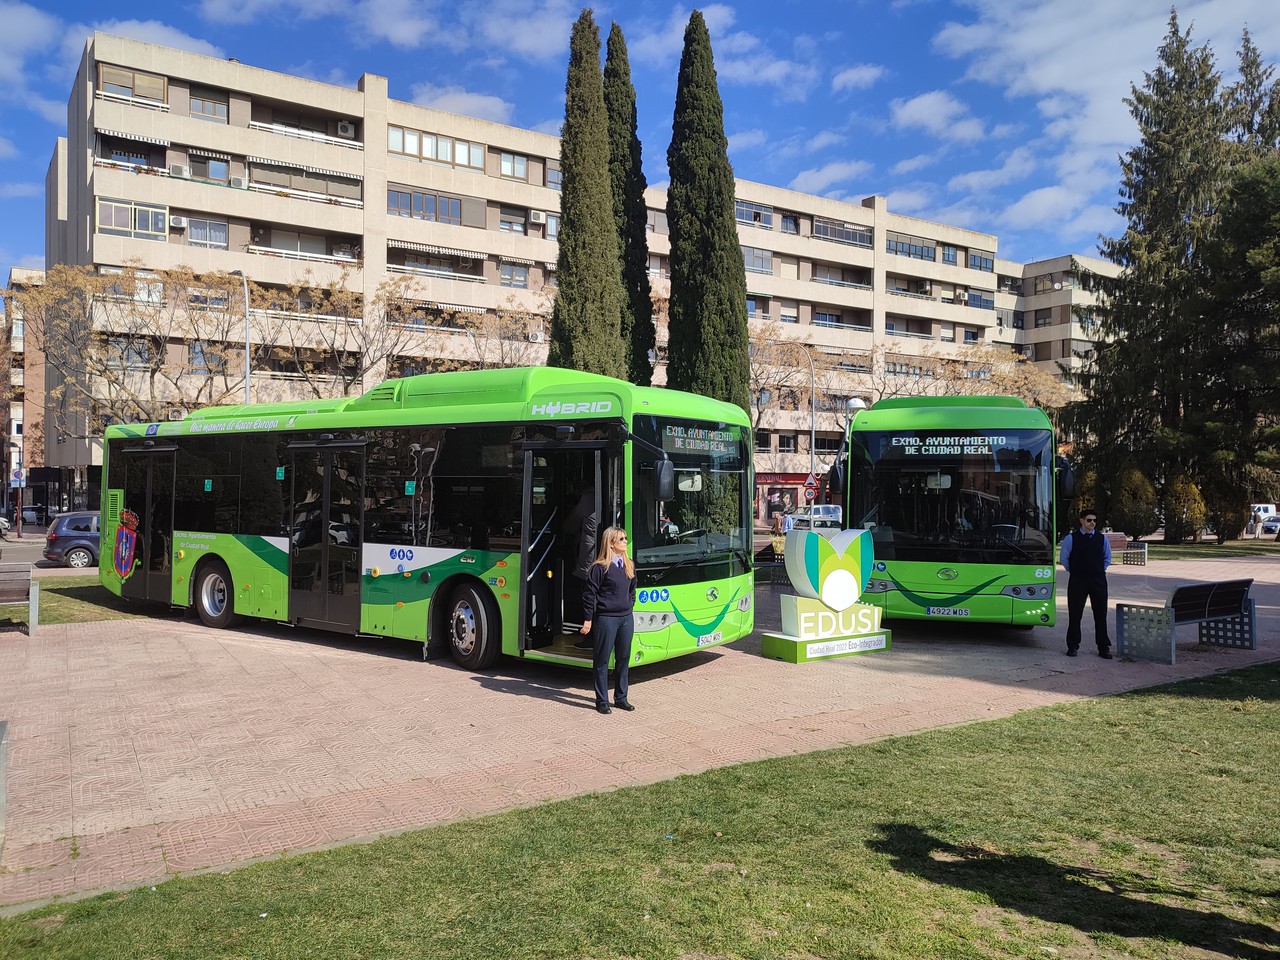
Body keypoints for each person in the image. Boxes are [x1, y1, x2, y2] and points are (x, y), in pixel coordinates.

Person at [580, 525, 637, 714]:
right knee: (602, 660)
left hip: (626, 619)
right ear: (611, 543)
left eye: (626, 538)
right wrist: (588, 619)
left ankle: (621, 698)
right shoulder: (600, 567)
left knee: (623, 658)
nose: (625, 542)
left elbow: (632, 590)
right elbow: (589, 595)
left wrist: (629, 605)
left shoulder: (629, 564)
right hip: (606, 619)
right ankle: (602, 700)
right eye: (621, 539)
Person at [1060, 507, 1112, 659]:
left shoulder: (1102, 538)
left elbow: (1107, 557)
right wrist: (1076, 571)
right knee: (1075, 614)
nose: (1092, 523)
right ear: (1082, 521)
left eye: (1095, 521)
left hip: (1098, 580)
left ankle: (1103, 647)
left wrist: (1098, 570)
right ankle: (1073, 646)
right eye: (1089, 520)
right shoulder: (1072, 538)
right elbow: (1064, 558)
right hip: (1078, 580)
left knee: (1101, 614)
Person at [565, 485, 597, 644]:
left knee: (588, 596)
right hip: (604, 558)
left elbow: (571, 525)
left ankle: (589, 637)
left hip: (589, 559)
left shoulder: (588, 498)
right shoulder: (613, 493)